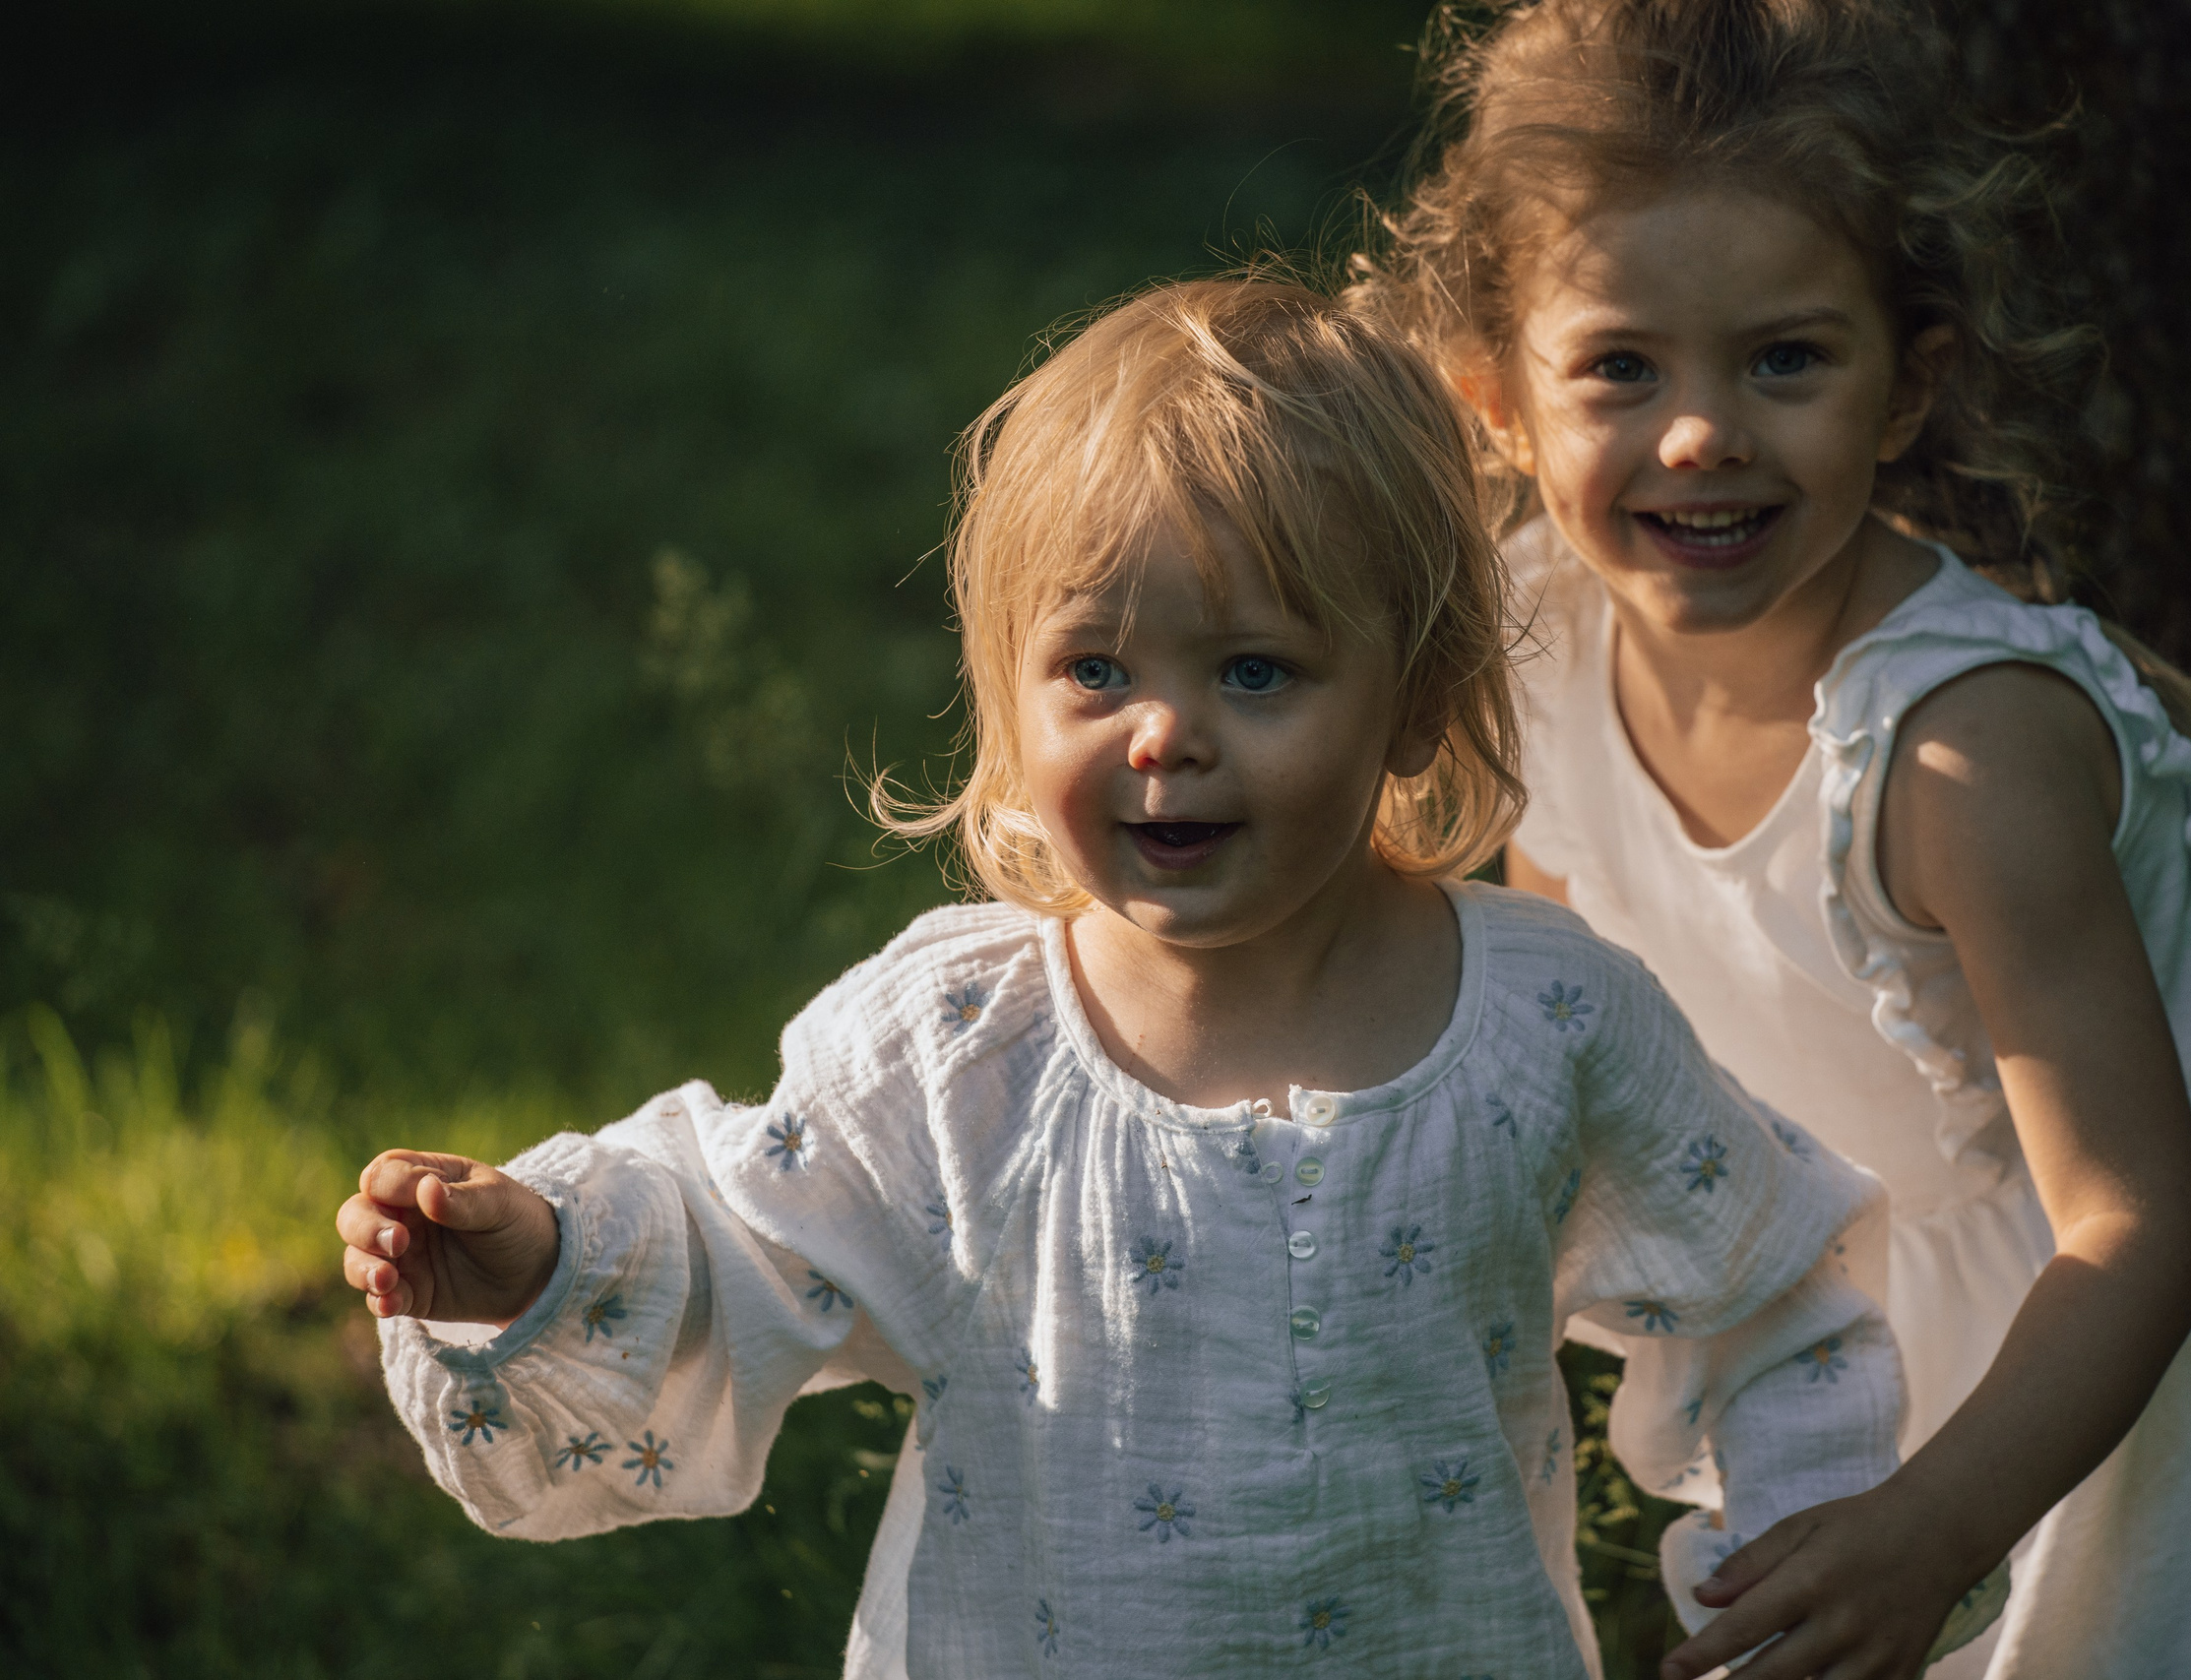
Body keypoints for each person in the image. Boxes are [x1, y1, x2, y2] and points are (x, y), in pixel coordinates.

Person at [332, 279, 1922, 1679]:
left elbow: (1771, 1299)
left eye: (1256, 670)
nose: (1165, 733)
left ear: (1421, 701)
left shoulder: (1544, 1022)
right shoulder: (966, 1046)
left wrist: (1800, 1563)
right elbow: (738, 1244)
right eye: (1095, 670)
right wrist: (541, 1260)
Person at [1351, 2, 2191, 1676]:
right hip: (1893, 1244)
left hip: (2148, 1287)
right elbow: (1568, 1029)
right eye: (1620, 365)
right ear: (1498, 400)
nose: (1700, 431)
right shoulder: (1534, 640)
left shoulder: (1962, 754)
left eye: (1785, 358)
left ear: (1910, 387)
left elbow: (2137, 1227)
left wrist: (1934, 1526)